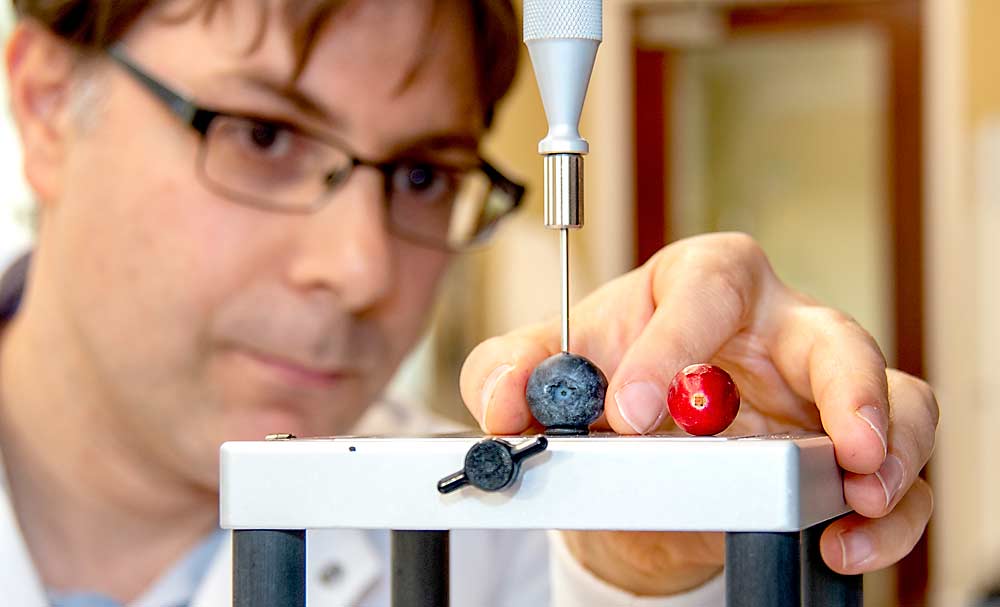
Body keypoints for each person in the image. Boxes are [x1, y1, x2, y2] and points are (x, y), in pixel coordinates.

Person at [0, 0, 937, 605]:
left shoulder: (510, 551)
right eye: (262, 134)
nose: (362, 267)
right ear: (44, 103)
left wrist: (659, 576)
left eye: (420, 174)